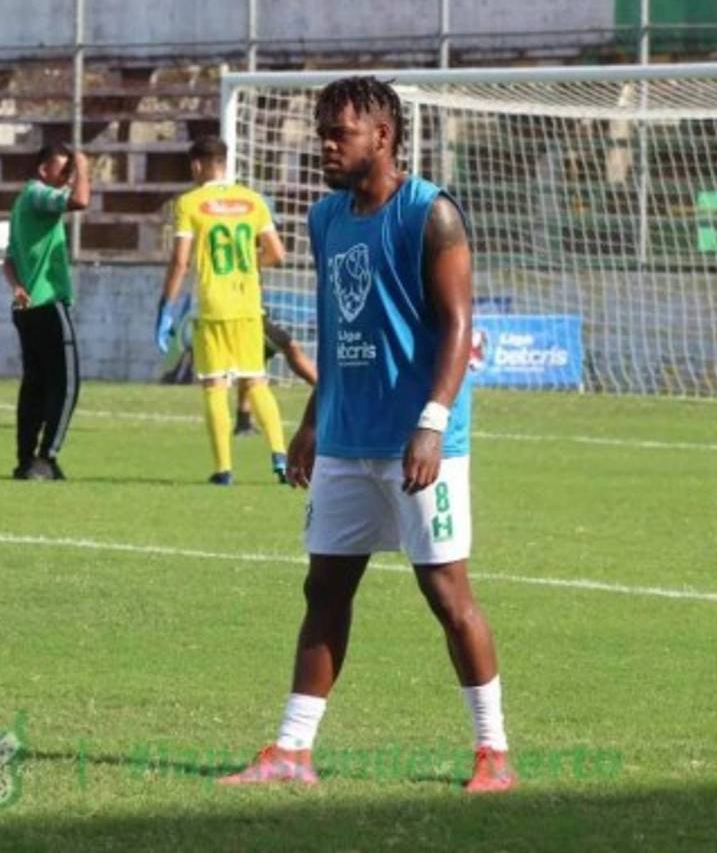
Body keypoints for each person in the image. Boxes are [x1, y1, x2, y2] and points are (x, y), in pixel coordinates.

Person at [220, 77, 515, 792]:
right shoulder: (325, 218)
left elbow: (458, 325)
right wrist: (311, 420)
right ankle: (292, 752)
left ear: (381, 137)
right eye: (321, 133)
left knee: (446, 594)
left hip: (419, 441)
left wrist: (431, 424)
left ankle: (493, 753)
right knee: (324, 588)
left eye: (338, 134)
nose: (325, 146)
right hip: (345, 438)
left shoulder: (430, 213)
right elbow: (337, 325)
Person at [156, 136, 288, 485]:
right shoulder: (253, 200)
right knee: (256, 380)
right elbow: (277, 253)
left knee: (215, 385)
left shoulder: (189, 203)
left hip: (213, 305)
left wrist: (166, 307)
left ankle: (224, 469)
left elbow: (180, 261)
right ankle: (280, 456)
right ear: (225, 163)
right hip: (248, 303)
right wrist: (247, 265)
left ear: (197, 165)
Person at [3, 143, 89, 480]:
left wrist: (16, 286)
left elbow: (9, 258)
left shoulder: (21, 201)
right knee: (67, 384)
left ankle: (26, 460)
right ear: (43, 170)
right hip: (48, 304)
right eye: (63, 170)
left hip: (26, 307)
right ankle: (46, 458)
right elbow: (80, 201)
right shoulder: (39, 194)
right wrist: (83, 166)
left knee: (35, 387)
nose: (68, 177)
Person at [234, 314, 317, 435]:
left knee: (253, 366)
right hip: (247, 317)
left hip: (253, 316)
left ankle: (243, 422)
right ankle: (326, 391)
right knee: (291, 346)